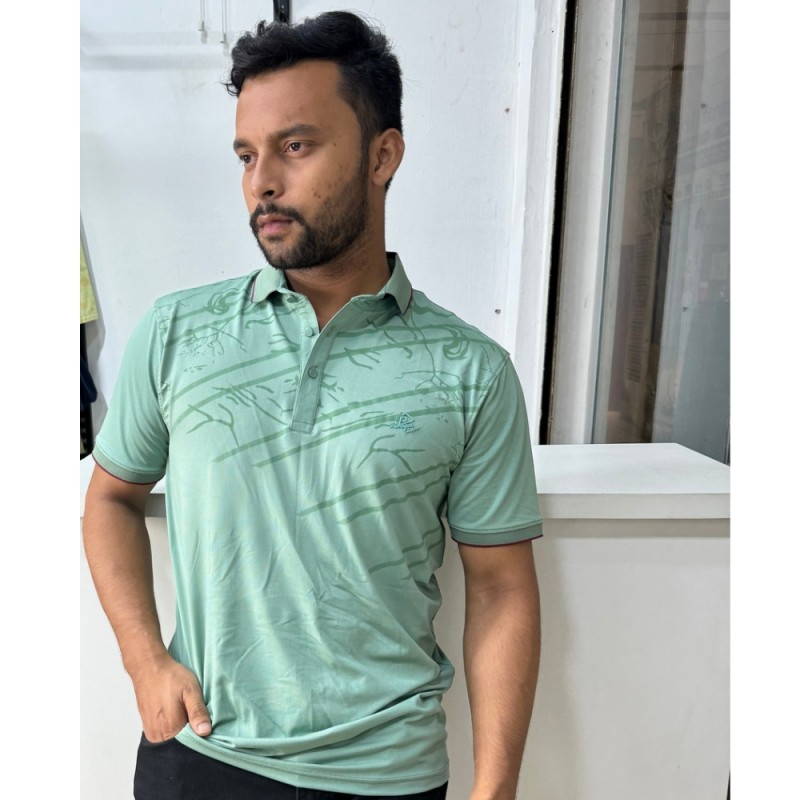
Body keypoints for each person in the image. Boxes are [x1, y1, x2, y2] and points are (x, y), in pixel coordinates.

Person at [82, 10, 543, 800]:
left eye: (295, 146)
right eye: (246, 155)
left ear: (382, 155)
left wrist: (495, 790)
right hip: (201, 754)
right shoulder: (177, 333)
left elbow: (502, 589)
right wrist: (143, 659)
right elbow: (109, 500)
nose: (261, 181)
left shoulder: (471, 371)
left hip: (387, 774)